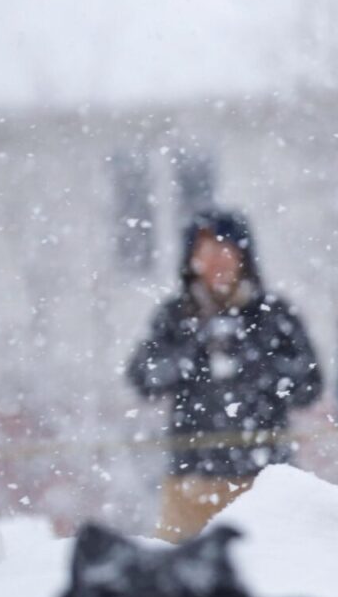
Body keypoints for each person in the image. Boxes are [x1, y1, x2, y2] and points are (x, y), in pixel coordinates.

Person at [126, 209, 323, 540]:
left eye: (224, 250)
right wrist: (192, 353)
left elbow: (308, 385)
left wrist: (256, 363)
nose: (215, 262)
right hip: (192, 484)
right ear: (191, 261)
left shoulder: (273, 315)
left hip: (267, 483)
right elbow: (144, 378)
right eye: (204, 252)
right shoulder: (175, 316)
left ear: (243, 256)